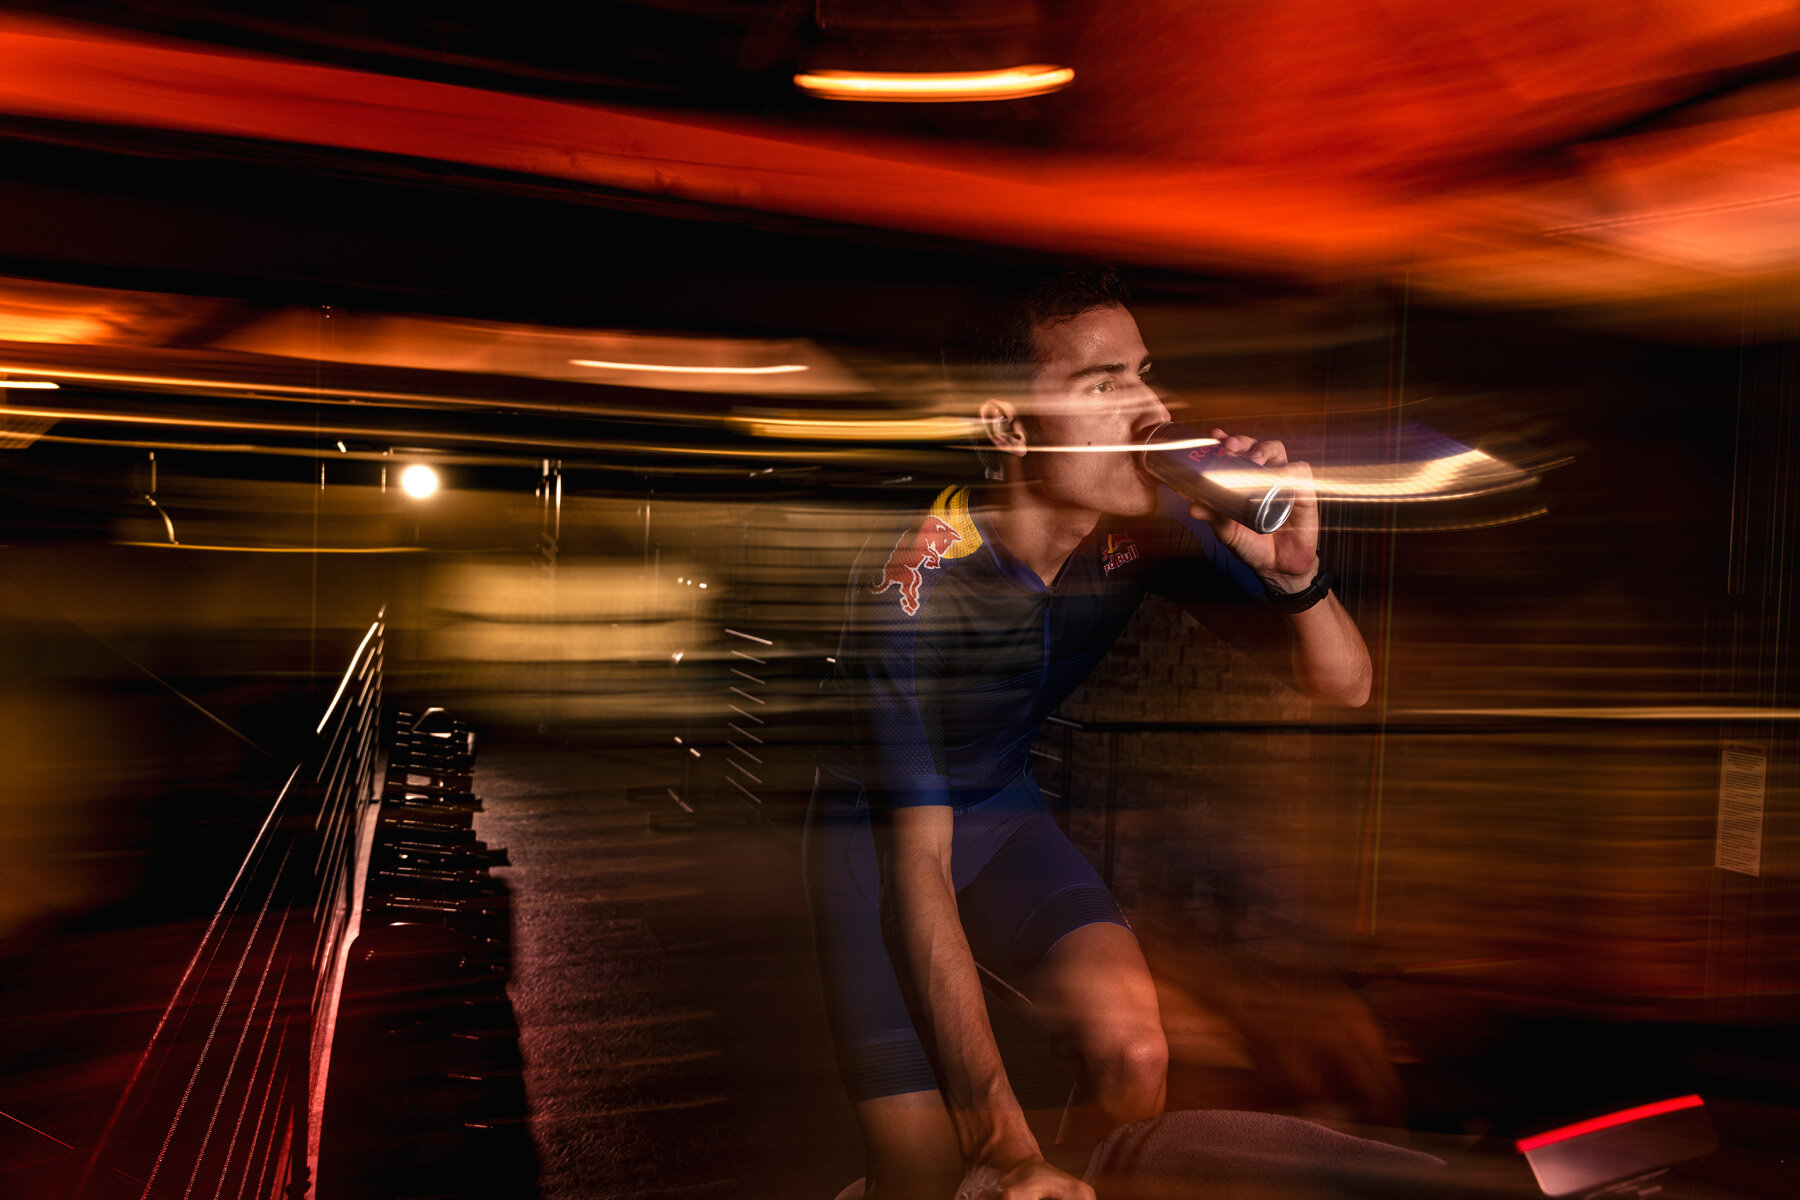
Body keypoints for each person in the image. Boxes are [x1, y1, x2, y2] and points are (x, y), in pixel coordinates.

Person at [804, 265, 1372, 1200]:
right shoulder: (916, 583)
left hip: (1006, 814)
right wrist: (1002, 1142)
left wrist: (1295, 576)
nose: (1151, 408)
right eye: (1103, 385)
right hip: (883, 849)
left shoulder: (1146, 527)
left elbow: (1346, 687)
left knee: (1136, 1051)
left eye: (1145, 373)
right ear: (1008, 426)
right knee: (922, 1179)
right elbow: (919, 862)